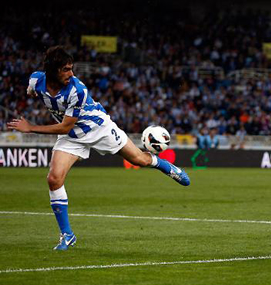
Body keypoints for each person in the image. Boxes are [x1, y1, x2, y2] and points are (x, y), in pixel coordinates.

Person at [7, 46, 190, 251]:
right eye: (66, 69)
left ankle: (165, 165)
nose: (71, 73)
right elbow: (34, 93)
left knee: (138, 159)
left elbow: (65, 125)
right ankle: (67, 235)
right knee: (54, 178)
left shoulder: (77, 89)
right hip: (72, 137)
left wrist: (30, 128)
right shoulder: (35, 80)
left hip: (98, 128)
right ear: (52, 70)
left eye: (71, 68)